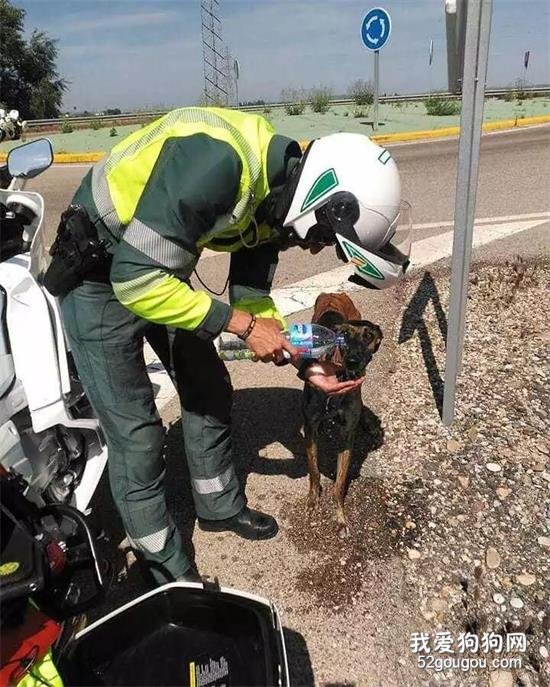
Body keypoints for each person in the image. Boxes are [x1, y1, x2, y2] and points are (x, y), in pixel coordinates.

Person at [51, 107, 410, 584]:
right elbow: (136, 283)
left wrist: (300, 360)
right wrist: (240, 326)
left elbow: (252, 294)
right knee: (137, 437)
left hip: (157, 266)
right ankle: (166, 569)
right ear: (325, 201)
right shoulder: (217, 165)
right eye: (326, 237)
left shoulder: (277, 201)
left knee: (208, 383)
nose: (318, 249)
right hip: (101, 275)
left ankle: (217, 504)